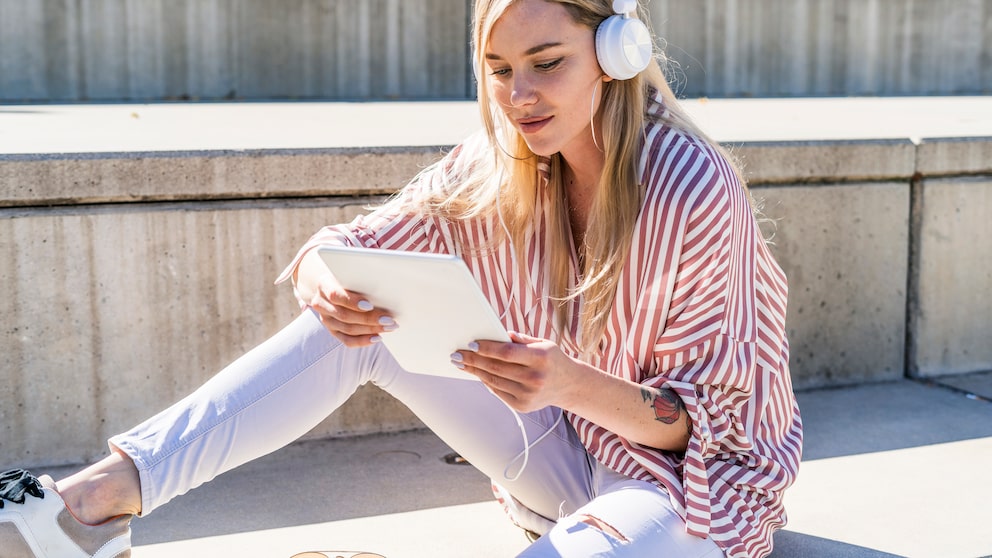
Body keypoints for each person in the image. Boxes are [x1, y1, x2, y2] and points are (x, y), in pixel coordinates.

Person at [0, 0, 802, 557]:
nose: (519, 97)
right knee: (362, 316)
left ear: (614, 53)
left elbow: (700, 429)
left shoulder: (690, 186)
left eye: (547, 63)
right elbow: (348, 244)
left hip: (689, 488)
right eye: (498, 69)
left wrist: (567, 383)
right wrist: (326, 279)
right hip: (567, 451)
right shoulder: (507, 158)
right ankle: (90, 507)